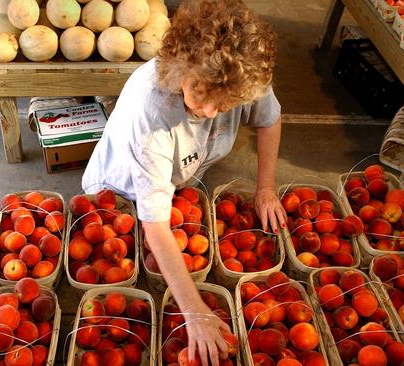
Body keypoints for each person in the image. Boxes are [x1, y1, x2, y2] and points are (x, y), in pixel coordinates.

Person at [82, 0, 286, 364]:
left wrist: (265, 187)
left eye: (223, 107)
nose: (209, 113)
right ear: (181, 69)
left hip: (179, 182)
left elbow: (269, 119)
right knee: (135, 276)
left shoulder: (242, 77)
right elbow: (155, 226)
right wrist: (194, 310)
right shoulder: (152, 115)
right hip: (122, 193)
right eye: (201, 97)